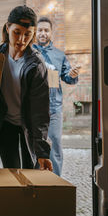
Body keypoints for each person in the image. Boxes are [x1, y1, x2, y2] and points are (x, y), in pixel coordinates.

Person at [0, 6, 52, 172]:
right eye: (17, 32)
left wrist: (42, 152)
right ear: (8, 28)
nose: (21, 39)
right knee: (11, 171)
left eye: (27, 34)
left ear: (33, 34)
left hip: (28, 125)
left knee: (31, 172)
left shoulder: (36, 65)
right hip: (5, 124)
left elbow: (40, 111)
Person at [33, 17, 80, 176]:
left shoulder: (59, 55)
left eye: (46, 30)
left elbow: (67, 77)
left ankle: (56, 180)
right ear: (35, 32)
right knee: (34, 146)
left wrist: (72, 74)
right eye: (40, 30)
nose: (43, 33)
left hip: (54, 109)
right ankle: (35, 180)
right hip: (33, 110)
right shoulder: (29, 52)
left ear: (51, 33)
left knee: (56, 145)